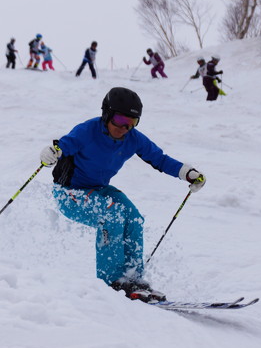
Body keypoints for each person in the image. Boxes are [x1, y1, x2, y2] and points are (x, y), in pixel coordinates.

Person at [39, 87, 206, 302]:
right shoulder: (87, 130)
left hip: (98, 190)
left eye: (132, 122)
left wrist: (187, 173)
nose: (124, 127)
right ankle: (112, 281)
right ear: (107, 113)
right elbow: (63, 146)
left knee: (133, 218)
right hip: (70, 192)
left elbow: (160, 158)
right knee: (112, 216)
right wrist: (52, 152)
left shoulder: (133, 138)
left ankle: (132, 278)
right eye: (119, 119)